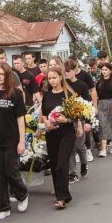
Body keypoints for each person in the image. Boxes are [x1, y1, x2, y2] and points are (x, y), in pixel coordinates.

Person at [0, 62, 29, 219]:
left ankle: (22, 194)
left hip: (12, 140)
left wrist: (21, 141)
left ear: (8, 76)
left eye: (2, 74)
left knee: (11, 172)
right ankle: (4, 207)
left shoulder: (15, 94)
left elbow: (20, 120)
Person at [40, 66, 78, 209]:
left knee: (62, 164)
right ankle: (60, 194)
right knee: (55, 165)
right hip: (51, 133)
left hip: (67, 133)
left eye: (54, 77)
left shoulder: (69, 94)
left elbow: (77, 116)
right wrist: (46, 122)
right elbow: (43, 113)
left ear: (61, 77)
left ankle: (62, 198)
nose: (52, 81)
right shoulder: (47, 95)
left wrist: (66, 120)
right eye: (49, 78)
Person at [64, 59, 91, 182]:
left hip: (80, 117)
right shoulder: (64, 85)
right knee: (69, 147)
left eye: (68, 71)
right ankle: (72, 172)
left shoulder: (82, 85)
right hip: (67, 119)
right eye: (64, 72)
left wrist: (87, 121)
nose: (66, 74)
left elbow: (87, 104)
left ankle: (84, 163)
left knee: (79, 146)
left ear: (74, 70)